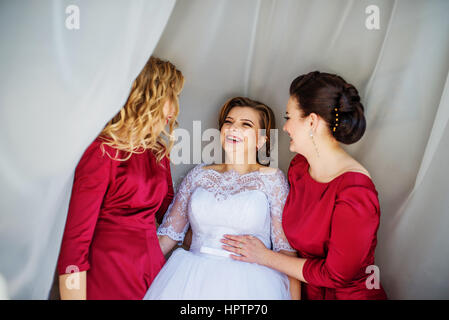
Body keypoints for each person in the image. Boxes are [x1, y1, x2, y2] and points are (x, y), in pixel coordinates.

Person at [221, 71, 387, 300]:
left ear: (311, 121)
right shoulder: (299, 168)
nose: (286, 127)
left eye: (289, 116)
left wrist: (264, 256)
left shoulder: (355, 192)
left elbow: (336, 275)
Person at [144, 97, 300, 300]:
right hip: (189, 282)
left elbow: (286, 252)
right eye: (229, 122)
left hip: (251, 287)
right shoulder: (198, 175)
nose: (233, 128)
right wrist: (128, 268)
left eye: (246, 124)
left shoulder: (272, 179)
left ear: (262, 140)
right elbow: (168, 237)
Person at [57, 56, 184, 300]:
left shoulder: (158, 152)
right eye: (171, 95)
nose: (174, 107)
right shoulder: (101, 150)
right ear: (149, 96)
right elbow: (75, 243)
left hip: (152, 273)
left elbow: (171, 212)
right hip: (108, 273)